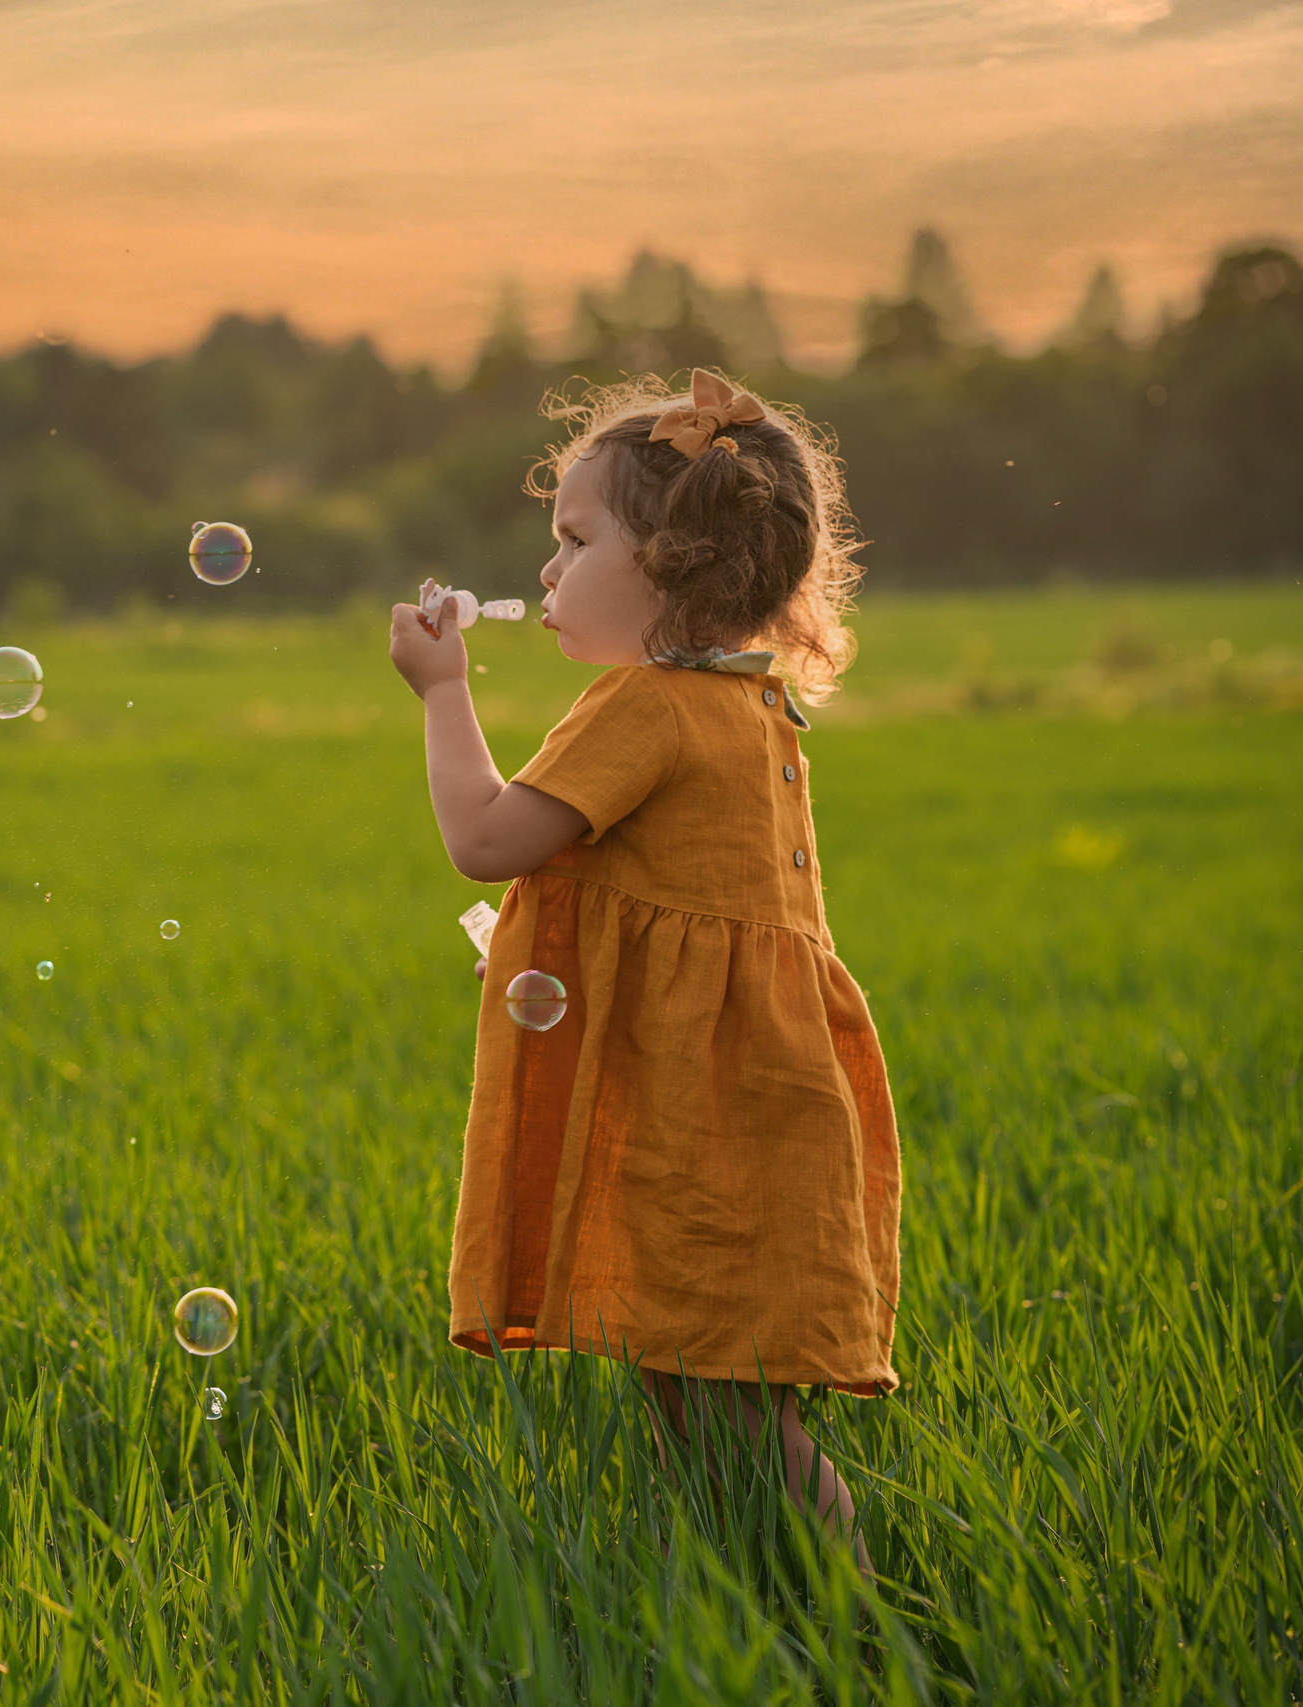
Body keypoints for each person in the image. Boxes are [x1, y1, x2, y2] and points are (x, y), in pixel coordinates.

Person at [387, 370, 899, 1571]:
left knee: (723, 1405)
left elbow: (484, 841)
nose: (550, 572)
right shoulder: (750, 706)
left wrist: (442, 691)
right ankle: (762, 1597)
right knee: (697, 1386)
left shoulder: (644, 705)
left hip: (697, 1115)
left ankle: (865, 1622)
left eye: (574, 541)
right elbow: (670, 914)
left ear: (674, 562)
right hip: (756, 1098)